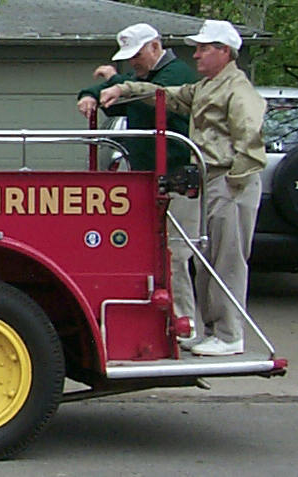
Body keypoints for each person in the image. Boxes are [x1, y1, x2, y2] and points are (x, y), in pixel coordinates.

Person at [100, 19, 267, 356]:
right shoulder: (208, 86)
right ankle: (213, 331)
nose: (196, 55)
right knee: (208, 257)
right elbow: (170, 96)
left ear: (224, 52)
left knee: (228, 259)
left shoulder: (238, 89)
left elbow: (250, 140)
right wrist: (126, 89)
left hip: (230, 180)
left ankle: (230, 333)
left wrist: (235, 181)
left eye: (204, 49)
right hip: (211, 178)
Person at [76, 23, 200, 349]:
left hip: (176, 177)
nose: (135, 63)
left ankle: (186, 323)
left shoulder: (178, 75)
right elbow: (127, 89)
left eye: (137, 56)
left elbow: (149, 92)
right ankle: (166, 320)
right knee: (155, 252)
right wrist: (91, 95)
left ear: (155, 47)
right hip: (151, 179)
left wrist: (115, 84)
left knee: (175, 252)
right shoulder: (145, 78)